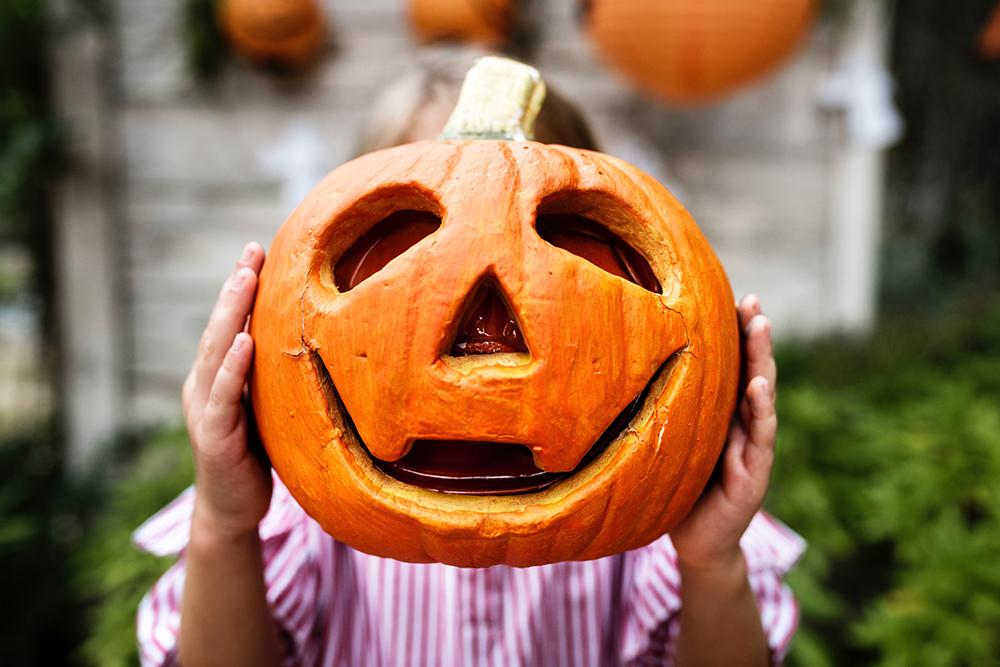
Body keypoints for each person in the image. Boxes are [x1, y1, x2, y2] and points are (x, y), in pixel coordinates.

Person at [134, 50, 805, 667]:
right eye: (404, 238)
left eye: (564, 237)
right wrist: (224, 523)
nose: (482, 343)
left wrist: (713, 558)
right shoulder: (295, 507)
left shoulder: (657, 522)